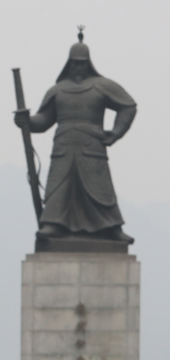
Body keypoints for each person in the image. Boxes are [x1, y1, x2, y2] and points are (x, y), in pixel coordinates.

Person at [14, 29, 136, 243]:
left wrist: (115, 133)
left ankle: (111, 228)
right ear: (68, 64)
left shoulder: (102, 86)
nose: (78, 67)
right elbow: (44, 120)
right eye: (74, 63)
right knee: (59, 187)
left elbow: (128, 106)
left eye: (82, 63)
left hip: (93, 147)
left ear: (88, 63)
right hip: (63, 147)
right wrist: (28, 122)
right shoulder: (58, 90)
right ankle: (53, 223)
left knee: (100, 189)